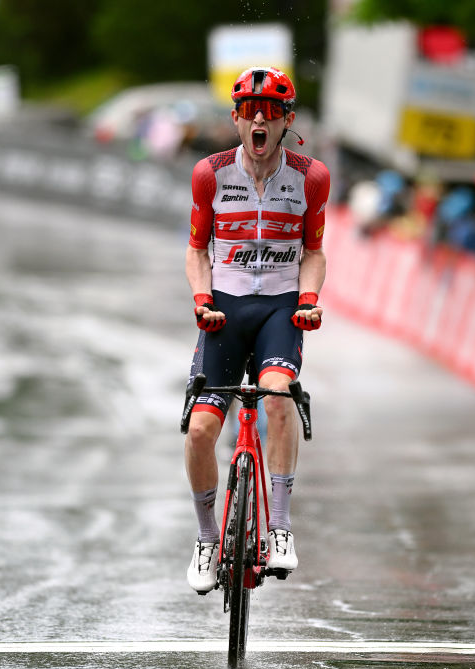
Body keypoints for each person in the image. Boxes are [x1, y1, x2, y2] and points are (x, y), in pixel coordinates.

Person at [183, 66, 330, 593]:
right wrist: (203, 301)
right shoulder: (211, 173)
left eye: (270, 112)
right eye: (249, 112)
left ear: (288, 120)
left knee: (277, 398)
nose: (259, 120)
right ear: (236, 120)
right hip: (225, 307)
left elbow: (314, 253)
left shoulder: (311, 176)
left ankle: (281, 527)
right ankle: (205, 538)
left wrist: (309, 301)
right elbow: (197, 250)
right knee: (201, 430)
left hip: (279, 308)